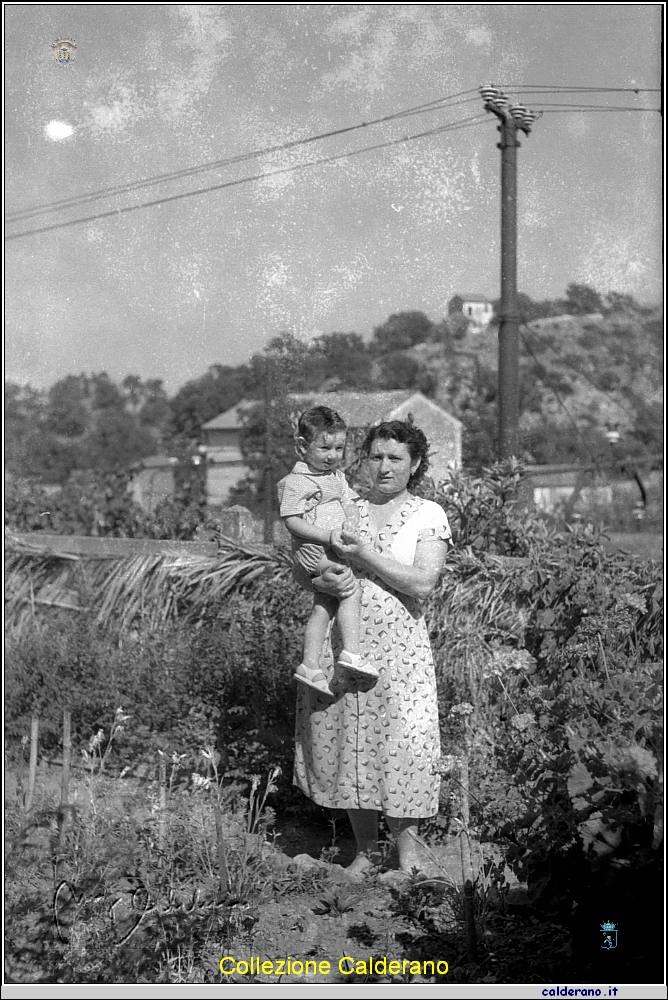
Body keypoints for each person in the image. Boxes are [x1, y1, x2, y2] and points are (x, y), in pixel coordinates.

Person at [293, 419, 451, 875]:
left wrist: (362, 556)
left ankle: (410, 860)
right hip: (347, 643)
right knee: (352, 740)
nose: (384, 467)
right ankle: (366, 853)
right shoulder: (344, 506)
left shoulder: (427, 514)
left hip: (400, 650)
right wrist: (314, 571)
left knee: (403, 746)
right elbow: (304, 564)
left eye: (395, 458)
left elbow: (422, 582)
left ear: (415, 463)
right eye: (376, 456)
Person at [277, 406, 378, 697]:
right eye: (324, 448)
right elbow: (292, 521)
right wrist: (328, 535)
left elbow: (349, 502)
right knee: (350, 590)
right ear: (301, 446)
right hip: (315, 550)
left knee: (323, 604)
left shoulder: (335, 476)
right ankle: (351, 653)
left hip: (331, 546)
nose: (333, 455)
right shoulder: (298, 481)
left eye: (339, 448)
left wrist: (352, 522)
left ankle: (310, 665)